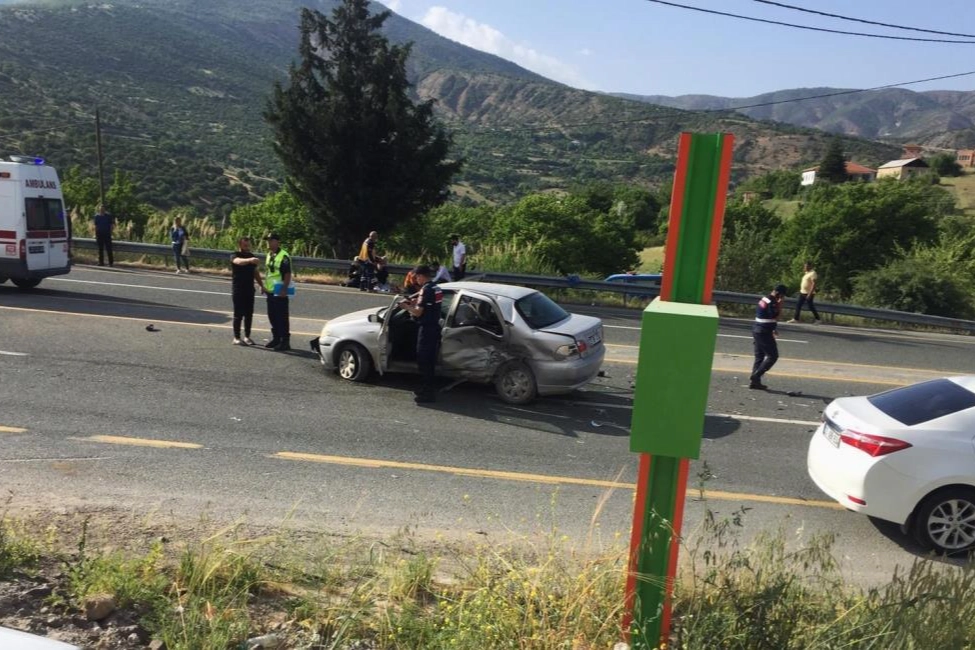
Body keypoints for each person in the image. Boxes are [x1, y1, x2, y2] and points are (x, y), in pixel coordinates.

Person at [399, 265, 443, 404]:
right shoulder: (436, 288)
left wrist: (405, 306)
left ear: (422, 276)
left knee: (424, 361)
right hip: (434, 328)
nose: (416, 279)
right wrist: (415, 302)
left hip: (426, 329)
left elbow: (418, 312)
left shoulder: (426, 289)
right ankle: (426, 389)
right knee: (429, 362)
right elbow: (429, 306)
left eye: (417, 276)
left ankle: (427, 393)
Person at [750, 284, 788, 390]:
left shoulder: (764, 299)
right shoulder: (772, 302)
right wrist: (780, 306)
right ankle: (756, 376)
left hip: (757, 330)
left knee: (759, 357)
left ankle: (755, 382)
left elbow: (766, 316)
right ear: (778, 293)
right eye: (782, 296)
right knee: (773, 356)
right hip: (763, 332)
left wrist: (773, 329)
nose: (783, 298)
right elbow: (775, 316)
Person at [230, 237, 263, 346]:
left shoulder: (251, 256)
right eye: (245, 245)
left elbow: (255, 272)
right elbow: (238, 262)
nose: (247, 247)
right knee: (238, 314)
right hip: (238, 289)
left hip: (249, 289)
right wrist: (250, 260)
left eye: (248, 245)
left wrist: (261, 285)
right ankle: (236, 337)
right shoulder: (234, 255)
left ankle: (247, 336)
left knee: (249, 314)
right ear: (240, 245)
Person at [263, 233, 292, 351]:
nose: (269, 243)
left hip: (280, 289)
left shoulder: (284, 256)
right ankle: (276, 338)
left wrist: (284, 288)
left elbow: (287, 273)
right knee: (272, 315)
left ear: (277, 242)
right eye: (268, 241)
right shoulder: (269, 254)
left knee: (281, 317)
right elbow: (269, 272)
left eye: (271, 240)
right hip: (270, 289)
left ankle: (285, 341)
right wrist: (264, 285)